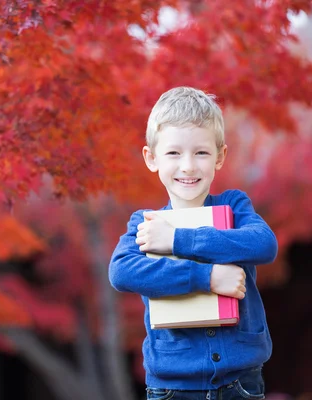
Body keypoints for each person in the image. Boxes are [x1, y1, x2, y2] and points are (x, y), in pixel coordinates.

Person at [108, 87, 278, 400]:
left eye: (201, 152)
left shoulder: (235, 206)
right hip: (173, 387)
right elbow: (121, 272)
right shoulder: (145, 224)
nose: (188, 166)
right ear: (151, 158)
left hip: (241, 383)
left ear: (220, 156)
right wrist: (208, 278)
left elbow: (264, 244)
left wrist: (177, 240)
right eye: (173, 153)